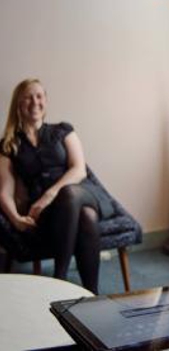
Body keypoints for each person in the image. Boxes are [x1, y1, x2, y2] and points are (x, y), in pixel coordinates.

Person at [0, 79, 115, 293]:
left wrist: (49, 195)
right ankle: (92, 294)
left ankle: (59, 279)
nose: (34, 102)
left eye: (39, 96)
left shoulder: (63, 130)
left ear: (46, 101)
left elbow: (79, 169)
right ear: (18, 103)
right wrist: (15, 219)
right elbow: (4, 190)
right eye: (28, 97)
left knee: (70, 193)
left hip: (84, 193)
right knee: (86, 218)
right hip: (52, 214)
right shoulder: (9, 144)